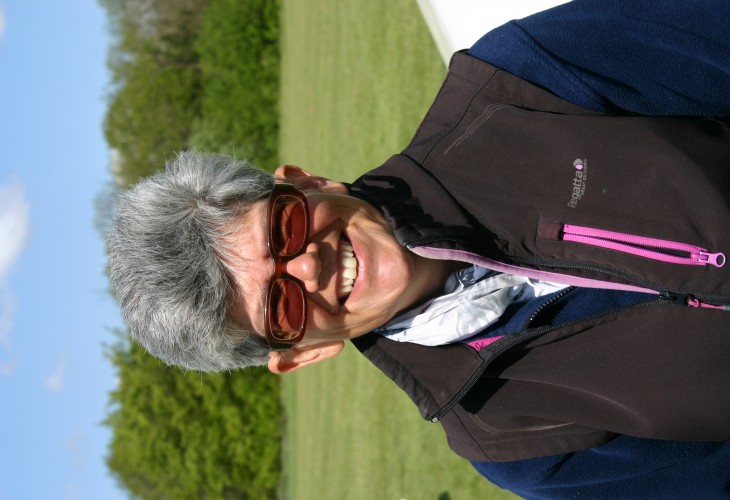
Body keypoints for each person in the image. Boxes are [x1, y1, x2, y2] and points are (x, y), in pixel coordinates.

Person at [108, 0, 730, 497]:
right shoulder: (516, 445)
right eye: (282, 305)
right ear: (302, 353)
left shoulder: (521, 82)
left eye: (283, 230)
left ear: (305, 181)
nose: (310, 265)